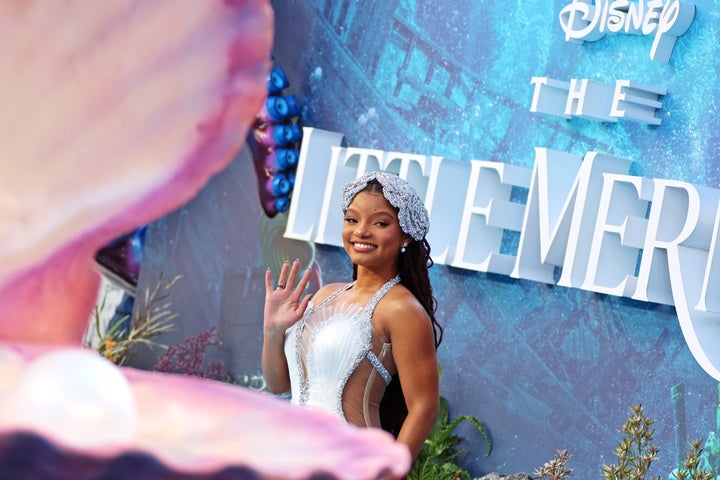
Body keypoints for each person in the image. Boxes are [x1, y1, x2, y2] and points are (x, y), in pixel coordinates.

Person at [261, 170, 443, 460]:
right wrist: (272, 332)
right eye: (352, 220)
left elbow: (424, 407)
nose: (361, 232)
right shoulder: (324, 295)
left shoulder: (401, 309)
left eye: (380, 223)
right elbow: (280, 384)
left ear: (405, 234)